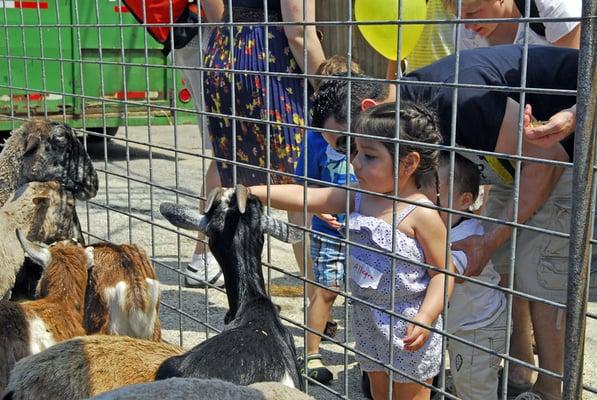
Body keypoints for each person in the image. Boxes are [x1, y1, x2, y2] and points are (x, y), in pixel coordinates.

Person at [393, 45, 583, 400]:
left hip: (565, 147)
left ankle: (554, 390)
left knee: (540, 266)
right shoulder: (410, 110)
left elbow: (549, 159)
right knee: (503, 263)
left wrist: (490, 239)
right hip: (518, 159)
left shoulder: (453, 99)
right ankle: (519, 369)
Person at [250, 101, 454, 399]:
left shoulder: (421, 214)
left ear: (408, 164)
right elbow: (306, 195)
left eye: (369, 156)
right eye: (355, 152)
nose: (356, 163)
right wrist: (253, 192)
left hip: (408, 332)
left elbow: (444, 273)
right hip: (368, 325)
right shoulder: (358, 197)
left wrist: (425, 317)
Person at [186, 0, 326, 288]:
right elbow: (299, 33)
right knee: (297, 176)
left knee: (232, 166)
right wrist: (329, 90)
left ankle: (230, 276)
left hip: (226, 50)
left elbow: (215, 13)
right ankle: (316, 296)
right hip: (269, 61)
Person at [295, 68, 389, 384]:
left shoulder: (378, 136)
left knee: (372, 293)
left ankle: (374, 357)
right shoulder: (315, 140)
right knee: (327, 291)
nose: (343, 151)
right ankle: (311, 354)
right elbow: (304, 185)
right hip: (331, 231)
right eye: (335, 142)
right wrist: (319, 211)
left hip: (368, 230)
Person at [428, 153, 507, 400]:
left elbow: (448, 272)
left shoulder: (467, 237)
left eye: (436, 199)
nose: (426, 205)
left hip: (477, 328)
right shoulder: (441, 227)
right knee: (463, 379)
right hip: (462, 323)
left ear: (465, 200)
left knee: (474, 389)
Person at [173, 0, 227, 288]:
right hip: (212, 45)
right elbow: (219, 15)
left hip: (205, 42)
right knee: (225, 154)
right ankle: (202, 255)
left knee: (226, 154)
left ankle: (209, 253)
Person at [442, 0, 581, 49]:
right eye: (458, 16)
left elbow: (576, 70)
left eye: (472, 13)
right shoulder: (464, 33)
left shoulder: (549, 4)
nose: (465, 25)